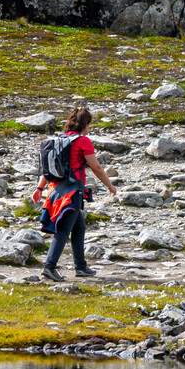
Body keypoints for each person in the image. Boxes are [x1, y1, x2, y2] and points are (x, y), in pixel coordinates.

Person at [32, 103, 116, 283]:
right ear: (85, 124)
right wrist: (110, 185)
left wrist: (39, 188)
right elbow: (96, 167)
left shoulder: (59, 140)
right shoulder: (82, 141)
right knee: (63, 229)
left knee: (79, 227)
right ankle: (49, 267)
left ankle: (81, 267)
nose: (89, 128)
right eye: (89, 124)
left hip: (55, 190)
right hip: (72, 191)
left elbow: (49, 168)